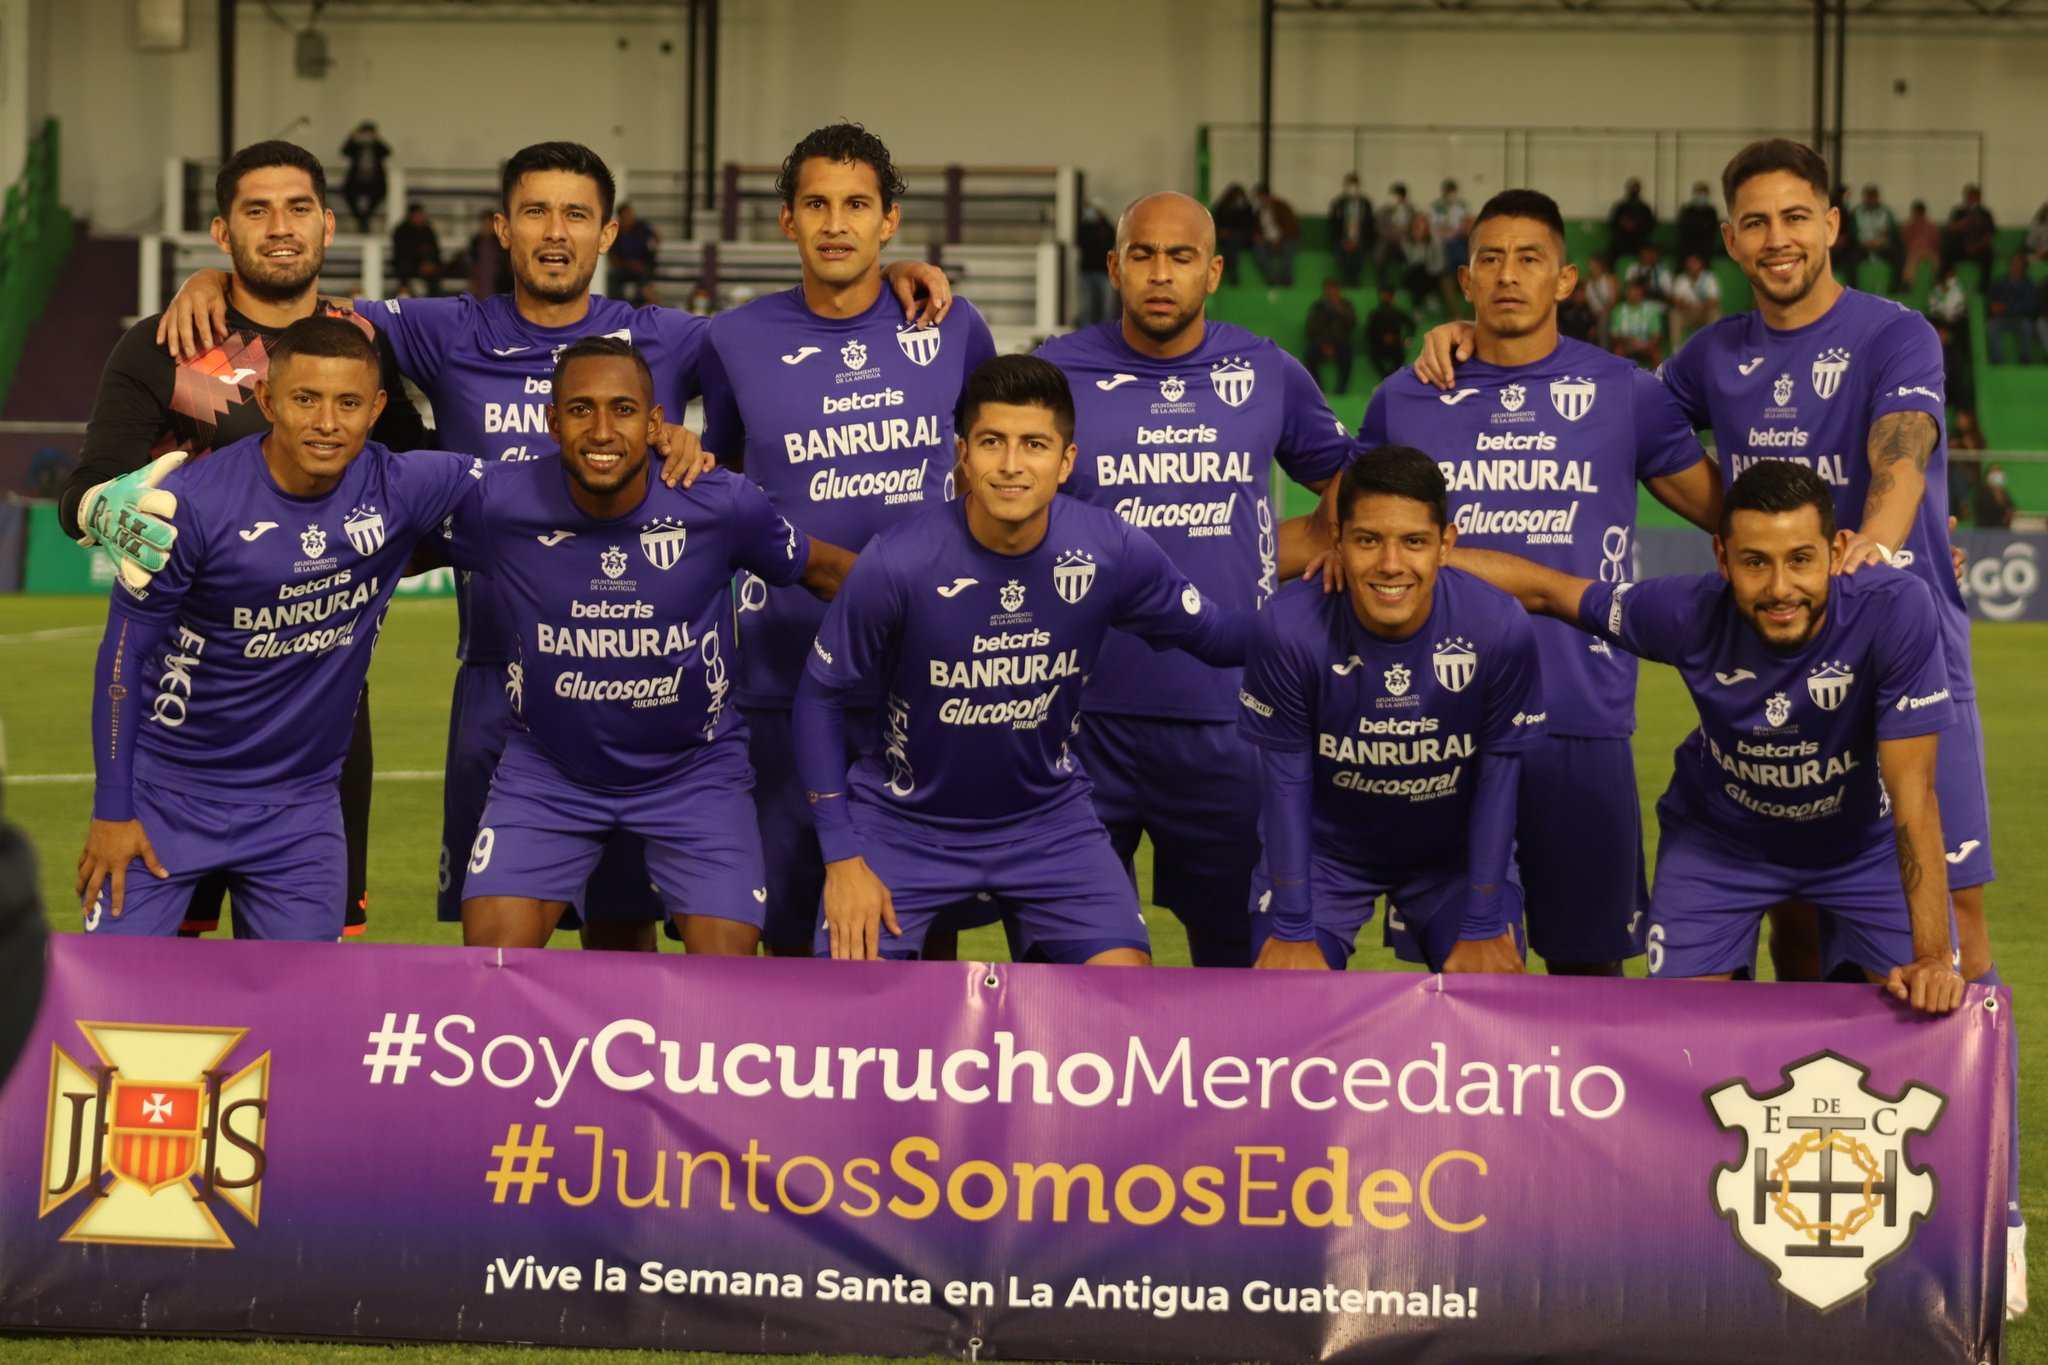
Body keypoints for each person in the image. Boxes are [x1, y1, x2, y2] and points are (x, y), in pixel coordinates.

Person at [156, 138, 952, 950]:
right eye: (536, 212)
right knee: (497, 949)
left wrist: (890, 281)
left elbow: (801, 325)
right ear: (503, 229)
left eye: (577, 214)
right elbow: (315, 320)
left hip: (642, 688)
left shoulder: (671, 337)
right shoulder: (445, 329)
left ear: (608, 234)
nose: (556, 232)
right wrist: (217, 280)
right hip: (497, 682)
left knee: (622, 927)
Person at [61, 140, 429, 941]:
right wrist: (118, 513)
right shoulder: (165, 344)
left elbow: (410, 496)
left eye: (298, 208)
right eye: (255, 211)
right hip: (180, 715)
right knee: (156, 989)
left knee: (306, 990)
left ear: (329, 225)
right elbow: (83, 493)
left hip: (319, 719)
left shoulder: (363, 345)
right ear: (223, 234)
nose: (280, 228)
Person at [1359, 187, 1718, 979]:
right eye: (1490, 259)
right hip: (1435, 724)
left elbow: (1734, 517)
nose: (1509, 276)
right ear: (1465, 281)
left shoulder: (1627, 394)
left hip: (1582, 721)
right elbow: (1352, 541)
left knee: (1589, 971)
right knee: (1459, 975)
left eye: (1530, 260)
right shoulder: (1406, 397)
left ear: (1567, 280)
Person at [1451, 461, 1963, 1015]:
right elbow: (1550, 592)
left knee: (1927, 1005)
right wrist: (1414, 560)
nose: (1779, 588)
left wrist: (1933, 955)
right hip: (1721, 846)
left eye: (1800, 560)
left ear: (1837, 553)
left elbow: (1914, 790)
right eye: (1754, 563)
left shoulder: (1895, 609)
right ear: (1722, 559)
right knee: (1680, 1031)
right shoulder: (1683, 612)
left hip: (1861, 848)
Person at [793, 355, 1252, 964]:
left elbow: (1219, 636)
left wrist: (1329, 619)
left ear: (1066, 461)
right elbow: (819, 695)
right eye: (992, 442)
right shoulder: (897, 562)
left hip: (1048, 824)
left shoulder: (1108, 549)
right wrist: (842, 857)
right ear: (963, 453)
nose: (1011, 466)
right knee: (848, 1001)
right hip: (904, 826)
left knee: (1126, 993)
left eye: (1034, 444)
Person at [75, 317, 483, 939]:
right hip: (168, 798)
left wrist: (669, 456)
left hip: (301, 810)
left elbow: (539, 489)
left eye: (348, 402)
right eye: (304, 399)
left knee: (305, 1016)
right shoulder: (189, 505)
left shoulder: (404, 486)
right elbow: (123, 656)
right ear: (266, 400)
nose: (326, 422)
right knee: (109, 1007)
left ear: (376, 409)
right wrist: (112, 810)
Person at [695, 122, 993, 957]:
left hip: (929, 676)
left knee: (919, 929)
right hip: (780, 678)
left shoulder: (952, 326)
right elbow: (720, 493)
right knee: (787, 929)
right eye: (817, 204)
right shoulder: (733, 339)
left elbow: (992, 471)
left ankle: (919, 1089)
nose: (836, 223)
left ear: (889, 220)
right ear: (786, 221)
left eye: (856, 204)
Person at [1035, 190, 1354, 968]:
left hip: (1229, 717)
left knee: (1233, 958)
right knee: (1070, 966)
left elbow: (1351, 479)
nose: (1160, 274)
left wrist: (1292, 547)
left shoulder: (1265, 369)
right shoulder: (1055, 369)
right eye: (1142, 255)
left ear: (1212, 272)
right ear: (1114, 267)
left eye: (1181, 257)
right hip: (1078, 718)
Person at [450, 338, 852, 954]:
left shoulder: (719, 503)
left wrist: (938, 602)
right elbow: (394, 539)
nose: (603, 430)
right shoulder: (499, 501)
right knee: (490, 967)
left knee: (726, 977)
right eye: (581, 410)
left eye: (624, 410)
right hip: (549, 772)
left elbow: (824, 571)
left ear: (657, 422)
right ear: (552, 421)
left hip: (695, 773)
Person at [1238, 448, 1538, 974]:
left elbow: (1499, 777)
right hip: (1323, 856)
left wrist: (1483, 923)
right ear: (1337, 541)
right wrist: (1291, 926)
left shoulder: (1497, 626)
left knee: (1493, 994)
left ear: (1446, 544)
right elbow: (1285, 781)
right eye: (1368, 540)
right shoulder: (1288, 629)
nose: (1391, 565)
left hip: (1452, 859)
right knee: (1283, 998)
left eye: (1414, 542)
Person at [1305, 276, 1357, 393]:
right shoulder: (1318, 307)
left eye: (1334, 290)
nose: (1331, 293)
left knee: (1347, 355)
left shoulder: (1346, 305)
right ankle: (1318, 390)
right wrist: (1324, 343)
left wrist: (1340, 310)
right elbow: (1311, 328)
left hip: (1340, 343)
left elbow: (1352, 324)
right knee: (1310, 355)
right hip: (1321, 343)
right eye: (1328, 290)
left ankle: (1340, 390)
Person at [1988, 253, 2041, 364]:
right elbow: (1992, 300)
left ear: (2023, 267)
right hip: (2002, 319)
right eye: (2013, 263)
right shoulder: (2000, 282)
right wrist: (1994, 307)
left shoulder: (2029, 284)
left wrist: (2007, 307)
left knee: (2026, 326)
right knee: (1992, 326)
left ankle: (2025, 359)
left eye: (2018, 264)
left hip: (2020, 318)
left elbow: (2030, 305)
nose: (2015, 266)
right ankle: (1997, 361)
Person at [1429, 179, 1472, 317]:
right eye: (1448, 192)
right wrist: (1447, 233)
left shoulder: (1462, 206)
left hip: (1460, 243)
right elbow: (1434, 228)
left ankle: (1474, 314)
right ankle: (1455, 313)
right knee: (1446, 276)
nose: (1450, 195)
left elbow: (1466, 225)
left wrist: (1457, 232)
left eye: (1452, 192)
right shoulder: (1436, 207)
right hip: (1442, 245)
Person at [339, 121, 390, 232]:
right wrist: (353, 137)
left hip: (374, 181)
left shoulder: (377, 147)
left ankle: (364, 218)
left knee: (381, 193)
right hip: (357, 181)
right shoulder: (356, 146)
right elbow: (344, 151)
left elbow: (388, 152)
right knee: (347, 193)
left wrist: (377, 140)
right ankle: (362, 219)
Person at [1847, 185, 1902, 284]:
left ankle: (1895, 287)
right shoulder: (1856, 212)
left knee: (1898, 254)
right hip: (1862, 246)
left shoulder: (1886, 213)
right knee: (1850, 258)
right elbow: (1852, 233)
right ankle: (1853, 288)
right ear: (1865, 198)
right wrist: (1864, 243)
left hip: (1881, 246)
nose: (1871, 200)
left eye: (1874, 197)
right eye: (1869, 197)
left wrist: (1883, 241)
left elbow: (1894, 232)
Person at [607, 202, 659, 304]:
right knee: (612, 278)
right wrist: (626, 264)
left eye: (630, 214)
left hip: (643, 266)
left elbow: (657, 238)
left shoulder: (642, 226)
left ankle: (649, 305)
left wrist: (652, 249)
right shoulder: (616, 231)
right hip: (624, 267)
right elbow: (613, 256)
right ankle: (615, 307)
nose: (629, 217)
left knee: (645, 282)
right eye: (626, 215)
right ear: (620, 217)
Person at [1328, 174, 1374, 287]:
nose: (1352, 188)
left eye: (1355, 185)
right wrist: (1345, 241)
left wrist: (1356, 240)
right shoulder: (1338, 203)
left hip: (1360, 239)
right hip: (1342, 239)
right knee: (1341, 251)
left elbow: (1369, 225)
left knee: (1360, 251)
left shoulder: (1366, 203)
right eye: (1349, 185)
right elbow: (1333, 225)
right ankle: (1346, 278)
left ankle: (1355, 279)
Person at [1075, 199, 1117, 326]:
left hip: (1103, 273)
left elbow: (1110, 243)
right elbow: (1082, 243)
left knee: (1106, 306)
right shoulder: (1085, 227)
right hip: (1088, 272)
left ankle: (1105, 331)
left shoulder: (1107, 228)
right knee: (1087, 306)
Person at [1607, 278, 1665, 367]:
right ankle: (1618, 379)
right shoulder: (1618, 310)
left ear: (1642, 292)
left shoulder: (1652, 309)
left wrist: (1646, 344)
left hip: (1646, 345)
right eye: (1631, 290)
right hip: (1626, 344)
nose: (1635, 293)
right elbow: (1614, 335)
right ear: (1627, 293)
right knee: (1618, 351)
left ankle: (1657, 379)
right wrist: (1628, 341)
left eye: (1637, 290)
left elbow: (1656, 335)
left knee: (1656, 353)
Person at [1668, 252, 1722, 348]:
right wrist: (1688, 306)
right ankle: (1676, 349)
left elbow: (1715, 300)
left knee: (1715, 312)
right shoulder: (1681, 279)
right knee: (1674, 313)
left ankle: (1714, 347)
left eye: (1694, 263)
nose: (1692, 265)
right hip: (1688, 313)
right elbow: (1676, 301)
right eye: (1690, 263)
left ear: (1700, 264)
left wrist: (1701, 306)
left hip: (1704, 313)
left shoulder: (1709, 278)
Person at [1251, 183, 1300, 287]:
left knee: (1288, 251)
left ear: (1266, 195)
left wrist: (1279, 240)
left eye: (1260, 197)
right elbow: (1257, 230)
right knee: (1258, 250)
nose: (1259, 200)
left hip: (1286, 239)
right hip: (1268, 241)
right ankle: (1272, 279)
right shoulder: (1259, 212)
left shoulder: (1282, 207)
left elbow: (1291, 227)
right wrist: (1258, 237)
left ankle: (1287, 280)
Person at [1943, 184, 1996, 275]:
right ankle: (1946, 284)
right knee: (1947, 252)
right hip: (1961, 247)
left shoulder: (1985, 213)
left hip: (1979, 248)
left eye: (1974, 197)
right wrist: (1961, 223)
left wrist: (1976, 246)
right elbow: (1950, 229)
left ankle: (1984, 288)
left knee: (1988, 256)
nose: (1971, 200)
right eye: (1969, 197)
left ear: (1979, 199)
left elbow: (1989, 235)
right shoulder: (1959, 212)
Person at [391, 203, 442, 297]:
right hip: (408, 265)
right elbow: (401, 253)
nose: (419, 217)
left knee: (435, 275)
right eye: (417, 215)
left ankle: (434, 303)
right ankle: (406, 298)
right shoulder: (402, 230)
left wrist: (430, 263)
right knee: (404, 270)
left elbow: (435, 250)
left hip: (427, 265)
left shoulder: (428, 230)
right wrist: (419, 264)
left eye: (421, 215)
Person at [1364, 285, 1415, 377]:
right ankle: (1386, 378)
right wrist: (1381, 338)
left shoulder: (1398, 313)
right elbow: (1369, 332)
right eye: (1383, 295)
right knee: (1373, 355)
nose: (1385, 297)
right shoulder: (1375, 314)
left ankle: (1390, 378)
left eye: (1388, 295)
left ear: (1392, 297)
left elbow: (1411, 326)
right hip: (1379, 345)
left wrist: (1406, 339)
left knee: (1400, 358)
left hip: (1396, 344)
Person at [1212, 184, 1255, 285]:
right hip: (1225, 238)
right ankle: (1232, 276)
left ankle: (1231, 275)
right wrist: (1222, 231)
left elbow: (1249, 225)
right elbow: (1216, 223)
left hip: (1241, 238)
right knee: (1229, 244)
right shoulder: (1222, 207)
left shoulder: (1247, 208)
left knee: (1232, 242)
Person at [1608, 177, 1657, 260]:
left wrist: (1637, 226)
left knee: (1650, 251)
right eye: (1632, 188)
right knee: (1609, 254)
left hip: (1639, 241)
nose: (1634, 190)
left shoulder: (1644, 208)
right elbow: (1613, 224)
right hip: (1622, 240)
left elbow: (1650, 225)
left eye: (1636, 188)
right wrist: (1624, 226)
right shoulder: (1620, 207)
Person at [1675, 180, 1721, 263]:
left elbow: (1712, 231)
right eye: (1699, 193)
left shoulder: (1711, 212)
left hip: (1704, 247)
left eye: (1704, 193)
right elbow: (1682, 230)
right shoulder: (1687, 210)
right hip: (1687, 245)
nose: (1701, 196)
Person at [1375, 182, 1415, 277]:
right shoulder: (1384, 211)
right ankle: (1383, 280)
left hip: (1405, 239)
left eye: (1396, 195)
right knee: (1380, 251)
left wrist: (1403, 234)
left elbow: (1413, 228)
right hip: (1388, 239)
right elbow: (1380, 228)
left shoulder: (1410, 210)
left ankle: (1407, 276)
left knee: (1409, 249)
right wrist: (1392, 234)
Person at [1900, 201, 1941, 286]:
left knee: (1936, 262)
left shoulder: (1931, 226)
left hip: (1929, 252)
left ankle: (1936, 283)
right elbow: (1903, 240)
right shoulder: (1909, 225)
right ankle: (1907, 283)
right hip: (1914, 252)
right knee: (1912, 260)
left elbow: (1937, 242)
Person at [1974, 462, 2016, 528]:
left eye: (1998, 471)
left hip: (2003, 532)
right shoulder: (1982, 494)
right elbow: (1987, 514)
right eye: (1994, 472)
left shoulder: (2004, 493)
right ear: (1988, 475)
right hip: (1986, 531)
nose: (1997, 475)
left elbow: (2012, 508)